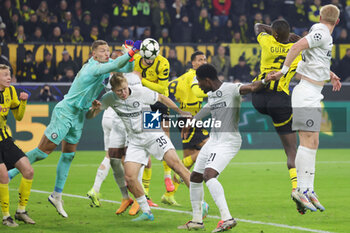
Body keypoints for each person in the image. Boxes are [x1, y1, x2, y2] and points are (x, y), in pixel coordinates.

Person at [7, 40, 141, 218]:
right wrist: (132, 53)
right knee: (42, 152)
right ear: (94, 54)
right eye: (102, 51)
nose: (106, 53)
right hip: (66, 111)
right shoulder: (93, 67)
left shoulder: (106, 65)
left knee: (69, 155)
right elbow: (118, 63)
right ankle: (10, 173)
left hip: (79, 115)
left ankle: (56, 195)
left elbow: (126, 69)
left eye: (108, 50)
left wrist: (130, 55)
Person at [178, 64, 277, 232]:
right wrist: (191, 121)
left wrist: (265, 80)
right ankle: (196, 220)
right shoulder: (211, 94)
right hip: (214, 141)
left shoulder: (231, 89)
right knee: (195, 176)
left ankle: (227, 218)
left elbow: (252, 87)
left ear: (207, 80)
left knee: (209, 176)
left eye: (200, 82)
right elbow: (208, 108)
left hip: (228, 141)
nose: (199, 85)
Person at [86, 73, 194, 222]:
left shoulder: (139, 91)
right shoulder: (109, 98)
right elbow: (89, 116)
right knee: (130, 177)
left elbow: (162, 98)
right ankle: (146, 211)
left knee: (176, 165)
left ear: (127, 85)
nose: (123, 93)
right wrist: (92, 110)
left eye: (124, 89)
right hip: (135, 140)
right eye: (119, 91)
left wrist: (181, 112)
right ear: (113, 90)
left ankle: (200, 203)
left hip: (152, 132)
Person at [271, 4, 342, 213]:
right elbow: (296, 47)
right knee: (307, 139)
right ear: (337, 22)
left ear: (321, 16)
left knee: (313, 141)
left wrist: (329, 73)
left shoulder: (319, 32)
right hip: (306, 92)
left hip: (313, 92)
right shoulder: (321, 32)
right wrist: (284, 71)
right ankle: (300, 189)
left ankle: (309, 189)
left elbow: (313, 58)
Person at [252, 20, 303, 213]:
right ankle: (296, 188)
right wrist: (294, 38)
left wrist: (273, 31)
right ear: (289, 34)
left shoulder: (267, 42)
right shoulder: (295, 51)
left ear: (273, 34)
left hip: (258, 97)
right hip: (279, 101)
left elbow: (257, 25)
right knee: (291, 150)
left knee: (252, 85)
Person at [163, 51, 209, 206]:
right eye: (200, 60)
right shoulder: (194, 77)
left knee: (187, 165)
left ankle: (169, 194)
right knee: (210, 147)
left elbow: (169, 87)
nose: (203, 62)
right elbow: (197, 92)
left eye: (205, 59)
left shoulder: (183, 77)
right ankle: (176, 165)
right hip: (190, 119)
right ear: (193, 63)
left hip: (185, 118)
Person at [133, 39, 175, 196]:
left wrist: (141, 80)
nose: (149, 61)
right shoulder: (136, 60)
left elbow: (162, 88)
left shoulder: (163, 63)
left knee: (165, 137)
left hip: (160, 101)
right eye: (147, 58)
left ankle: (167, 176)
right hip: (145, 102)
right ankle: (146, 190)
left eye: (152, 58)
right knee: (148, 141)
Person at [0, 64, 35, 227]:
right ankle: (6, 216)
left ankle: (21, 211)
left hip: (5, 139)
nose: (9, 77)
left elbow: (19, 117)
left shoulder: (11, 91)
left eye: (10, 74)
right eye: (5, 75)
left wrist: (22, 102)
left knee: (28, 170)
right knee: (3, 176)